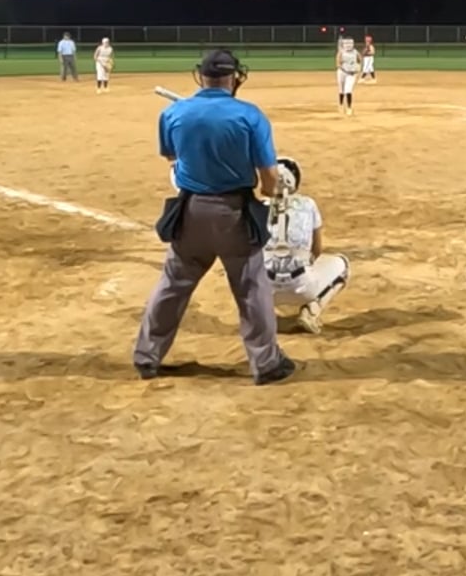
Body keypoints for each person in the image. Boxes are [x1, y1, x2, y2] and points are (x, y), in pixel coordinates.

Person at [133, 48, 295, 385]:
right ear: (234, 78)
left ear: (201, 76)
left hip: (190, 213)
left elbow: (172, 160)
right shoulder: (250, 116)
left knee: (172, 285)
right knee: (251, 289)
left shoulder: (173, 113)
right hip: (234, 215)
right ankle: (266, 364)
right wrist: (272, 191)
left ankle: (147, 356)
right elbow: (267, 181)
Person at [262, 156, 350, 333]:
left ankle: (259, 315)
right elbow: (316, 250)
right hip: (302, 286)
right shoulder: (308, 204)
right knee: (343, 265)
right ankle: (311, 311)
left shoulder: (260, 207)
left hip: (265, 291)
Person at [335, 37, 362, 115]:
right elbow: (338, 63)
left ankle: (349, 108)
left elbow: (359, 60)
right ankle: (341, 105)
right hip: (342, 73)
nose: (348, 45)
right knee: (341, 90)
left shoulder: (355, 52)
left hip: (351, 74)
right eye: (347, 43)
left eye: (350, 43)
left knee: (348, 90)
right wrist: (344, 68)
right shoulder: (341, 52)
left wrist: (358, 68)